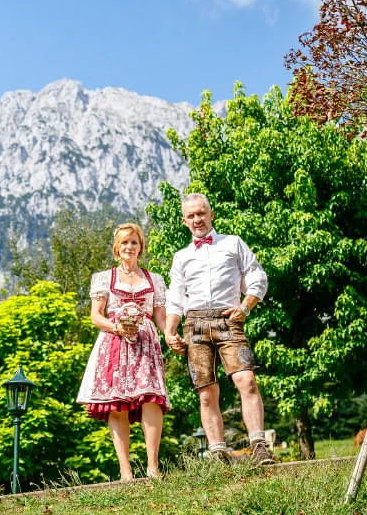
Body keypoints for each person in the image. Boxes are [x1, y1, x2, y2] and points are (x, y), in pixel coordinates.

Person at [163, 193, 275, 465]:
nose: (196, 219)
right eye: (191, 216)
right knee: (206, 393)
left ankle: (259, 446)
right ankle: (218, 453)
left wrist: (246, 307)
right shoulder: (181, 257)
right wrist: (169, 332)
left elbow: (257, 275)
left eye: (201, 213)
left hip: (229, 321)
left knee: (246, 380)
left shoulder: (233, 243)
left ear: (211, 214)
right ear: (184, 221)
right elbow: (176, 297)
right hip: (195, 325)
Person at [76, 223, 171, 481]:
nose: (129, 247)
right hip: (115, 344)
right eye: (125, 242)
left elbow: (161, 318)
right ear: (117, 248)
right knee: (117, 404)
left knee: (151, 399)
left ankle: (153, 467)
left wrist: (171, 334)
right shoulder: (104, 278)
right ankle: (125, 471)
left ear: (141, 247)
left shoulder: (155, 280)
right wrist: (117, 327)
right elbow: (95, 316)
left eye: (134, 242)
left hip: (145, 343)